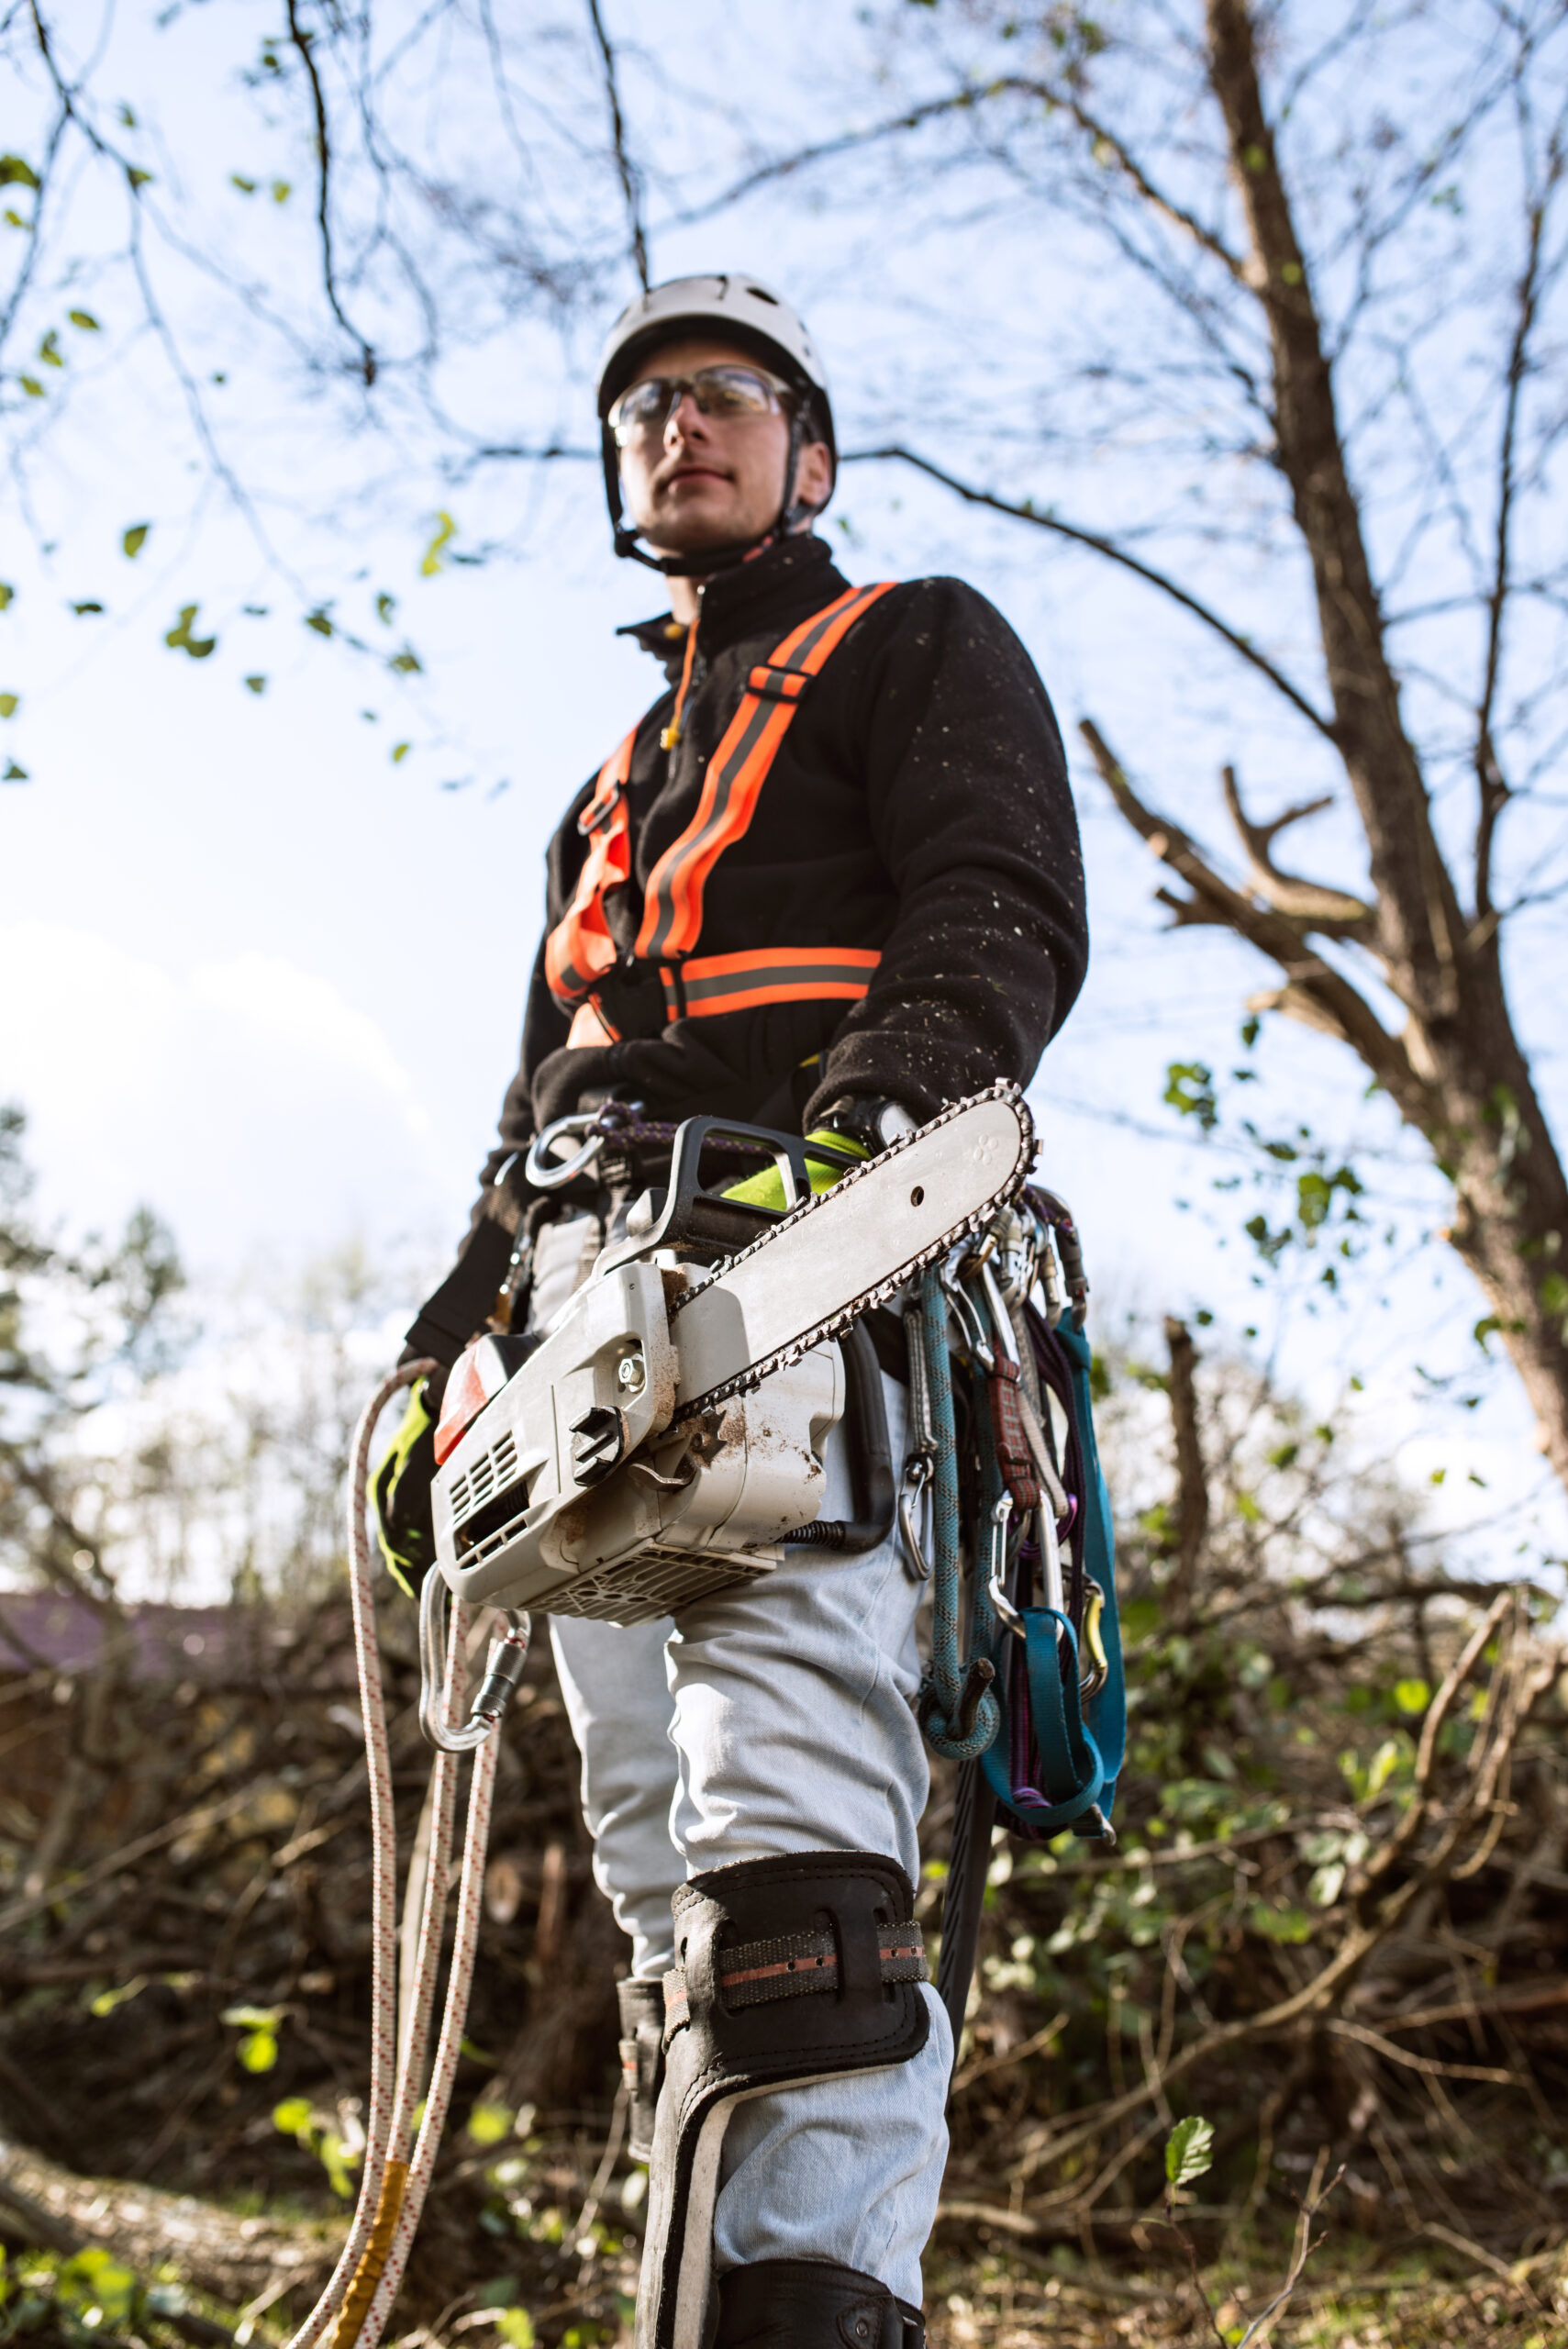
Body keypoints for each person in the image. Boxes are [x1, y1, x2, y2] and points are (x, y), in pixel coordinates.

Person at [379, 273, 1088, 2349]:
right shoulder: (600, 796)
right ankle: (695, 2277)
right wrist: (445, 1343)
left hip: (792, 1244)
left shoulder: (915, 640)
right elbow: (534, 1104)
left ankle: (808, 2306)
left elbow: (994, 897)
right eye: (642, 411)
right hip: (580, 1276)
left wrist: (882, 1121)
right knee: (651, 1858)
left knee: (786, 1830)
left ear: (809, 446)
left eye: (722, 396)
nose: (677, 428)